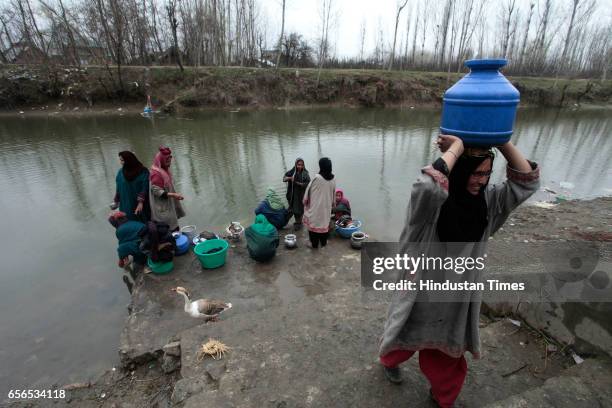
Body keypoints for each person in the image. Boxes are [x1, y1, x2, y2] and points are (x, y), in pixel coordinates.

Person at [378, 136, 540, 408]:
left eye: (487, 173)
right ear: (460, 170)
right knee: (401, 337)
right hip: (420, 293)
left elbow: (526, 182)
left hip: (456, 300)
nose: (482, 180)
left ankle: (443, 398)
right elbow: (427, 186)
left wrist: (501, 142)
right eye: (476, 173)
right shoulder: (430, 208)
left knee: (447, 356)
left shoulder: (488, 205)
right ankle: (388, 362)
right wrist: (457, 149)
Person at [149, 146, 185, 231]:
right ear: (161, 160)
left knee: (173, 225)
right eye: (167, 160)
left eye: (170, 159)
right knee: (168, 228)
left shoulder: (164, 170)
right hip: (162, 207)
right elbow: (156, 191)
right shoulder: (156, 174)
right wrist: (173, 195)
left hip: (168, 203)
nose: (169, 161)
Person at [303, 157, 336, 249]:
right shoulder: (333, 178)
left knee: (314, 226)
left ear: (321, 166)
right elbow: (334, 193)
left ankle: (314, 245)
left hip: (316, 208)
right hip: (326, 208)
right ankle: (324, 243)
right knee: (324, 225)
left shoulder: (317, 178)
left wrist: (305, 201)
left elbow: (308, 191)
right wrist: (332, 204)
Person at [113, 151, 150, 222]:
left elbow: (145, 187)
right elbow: (118, 188)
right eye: (120, 160)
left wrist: (140, 202)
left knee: (142, 222)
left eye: (122, 160)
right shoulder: (120, 172)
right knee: (127, 221)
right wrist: (116, 201)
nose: (121, 162)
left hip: (139, 205)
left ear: (129, 160)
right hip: (125, 204)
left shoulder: (143, 172)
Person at [283, 158, 311, 230]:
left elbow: (309, 184)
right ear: (296, 164)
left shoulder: (305, 173)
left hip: (301, 195)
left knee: (300, 210)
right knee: (292, 209)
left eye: (301, 165)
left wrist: (300, 184)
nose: (300, 167)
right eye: (298, 165)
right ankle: (292, 221)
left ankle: (298, 223)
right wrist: (290, 178)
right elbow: (284, 179)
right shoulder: (292, 172)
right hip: (292, 195)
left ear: (303, 165)